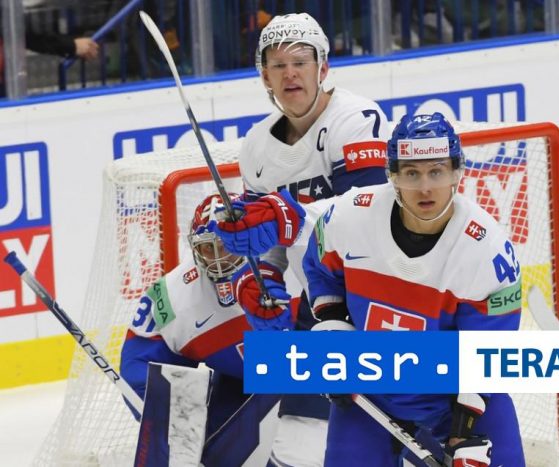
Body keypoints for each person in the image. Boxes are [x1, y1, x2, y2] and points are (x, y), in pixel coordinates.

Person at [213, 11, 391, 467]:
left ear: (323, 67)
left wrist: (284, 216)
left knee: (399, 422)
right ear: (264, 77)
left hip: (381, 292)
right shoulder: (256, 145)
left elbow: (365, 214)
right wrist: (262, 276)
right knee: (299, 432)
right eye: (277, 64)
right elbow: (269, 239)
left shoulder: (357, 118)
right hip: (320, 299)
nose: (290, 73)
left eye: (300, 62)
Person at [301, 112, 526, 466]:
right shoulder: (351, 216)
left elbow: (488, 354)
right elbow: (321, 268)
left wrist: (464, 433)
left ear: (457, 172)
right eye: (411, 173)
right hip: (369, 392)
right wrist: (335, 332)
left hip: (456, 398)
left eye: (436, 172)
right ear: (392, 175)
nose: (425, 188)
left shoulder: (487, 250)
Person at [120, 193, 292, 438]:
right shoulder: (173, 296)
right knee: (213, 439)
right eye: (209, 248)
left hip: (319, 379)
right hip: (241, 382)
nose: (220, 259)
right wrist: (169, 417)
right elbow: (140, 362)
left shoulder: (293, 262)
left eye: (229, 244)